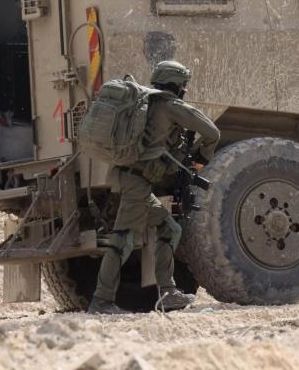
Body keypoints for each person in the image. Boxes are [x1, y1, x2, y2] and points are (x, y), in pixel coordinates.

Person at [88, 60, 221, 315]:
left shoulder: (143, 102)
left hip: (127, 178)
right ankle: (101, 300)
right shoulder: (171, 106)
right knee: (122, 240)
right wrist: (202, 159)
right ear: (178, 85)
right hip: (137, 183)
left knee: (170, 229)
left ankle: (168, 293)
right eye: (184, 86)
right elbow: (212, 132)